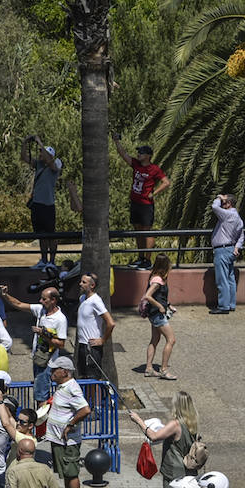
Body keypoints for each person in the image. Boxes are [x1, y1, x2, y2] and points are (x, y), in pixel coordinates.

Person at [127, 391, 199, 488]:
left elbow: (154, 436)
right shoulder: (192, 423)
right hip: (188, 468)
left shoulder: (175, 424)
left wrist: (139, 420)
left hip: (174, 470)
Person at [112, 135, 171, 269]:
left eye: (141, 153)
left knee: (147, 232)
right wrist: (116, 141)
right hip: (135, 203)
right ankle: (140, 257)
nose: (138, 154)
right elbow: (123, 154)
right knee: (138, 231)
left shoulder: (154, 169)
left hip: (146, 205)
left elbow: (166, 182)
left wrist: (154, 193)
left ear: (148, 156)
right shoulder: (136, 164)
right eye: (138, 152)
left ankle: (147, 260)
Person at [44, 357, 89, 488]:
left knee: (71, 474)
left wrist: (70, 425)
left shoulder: (72, 388)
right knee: (66, 474)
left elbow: (85, 410)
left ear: (65, 372)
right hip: (59, 440)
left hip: (68, 442)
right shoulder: (63, 387)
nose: (51, 372)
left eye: (55, 369)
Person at [20, 136, 63, 267]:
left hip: (48, 205)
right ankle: (44, 260)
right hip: (37, 204)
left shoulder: (55, 165)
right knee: (42, 235)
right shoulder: (38, 164)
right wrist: (24, 142)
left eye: (42, 152)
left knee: (51, 234)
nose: (40, 154)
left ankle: (52, 261)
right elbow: (24, 158)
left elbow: (52, 164)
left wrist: (40, 142)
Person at [142, 253, 178, 380]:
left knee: (155, 340)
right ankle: (164, 370)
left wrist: (168, 305)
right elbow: (148, 295)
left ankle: (149, 368)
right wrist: (160, 306)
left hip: (154, 314)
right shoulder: (157, 280)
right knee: (171, 339)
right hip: (157, 315)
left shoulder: (156, 277)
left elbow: (160, 296)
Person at [74, 273, 114, 381]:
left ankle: (96, 398)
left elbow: (111, 323)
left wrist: (102, 340)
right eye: (81, 281)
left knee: (93, 379)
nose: (80, 284)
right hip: (82, 344)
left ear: (92, 285)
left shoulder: (96, 301)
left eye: (84, 282)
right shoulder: (82, 298)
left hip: (91, 347)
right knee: (83, 376)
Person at [208, 194, 244, 315]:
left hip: (222, 250)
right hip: (230, 250)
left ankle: (223, 306)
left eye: (224, 203)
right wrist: (237, 247)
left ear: (229, 203)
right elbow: (241, 236)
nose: (222, 205)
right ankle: (231, 304)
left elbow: (214, 207)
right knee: (230, 278)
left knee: (222, 279)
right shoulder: (238, 218)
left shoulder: (227, 214)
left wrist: (219, 198)